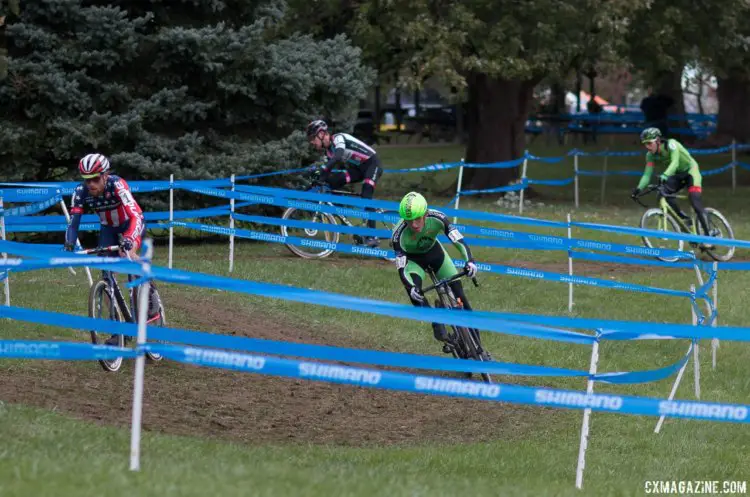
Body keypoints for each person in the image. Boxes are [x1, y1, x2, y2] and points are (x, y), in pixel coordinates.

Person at [64, 153, 160, 325]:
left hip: (130, 223)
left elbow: (136, 214)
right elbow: (73, 223)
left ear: (105, 176)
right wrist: (69, 244)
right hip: (108, 228)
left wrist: (129, 239)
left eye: (95, 179)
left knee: (128, 255)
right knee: (106, 276)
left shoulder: (117, 184)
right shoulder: (80, 192)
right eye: (87, 180)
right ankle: (116, 327)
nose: (91, 184)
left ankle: (150, 293)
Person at [391, 191, 479, 351]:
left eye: (417, 219)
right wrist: (411, 288)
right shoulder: (398, 234)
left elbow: (458, 240)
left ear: (425, 214)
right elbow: (402, 268)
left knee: (461, 297)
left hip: (435, 254)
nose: (414, 225)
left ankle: (479, 348)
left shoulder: (438, 218)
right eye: (409, 221)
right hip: (413, 262)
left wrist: (470, 261)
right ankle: (436, 322)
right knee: (416, 295)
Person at [631, 128, 718, 244]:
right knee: (662, 194)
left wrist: (665, 175)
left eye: (649, 143)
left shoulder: (671, 144)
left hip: (690, 172)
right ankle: (684, 219)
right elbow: (647, 175)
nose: (647, 146)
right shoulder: (650, 156)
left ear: (657, 140)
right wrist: (638, 189)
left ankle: (708, 237)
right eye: (645, 144)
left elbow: (675, 162)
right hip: (676, 175)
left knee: (694, 200)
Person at [306, 119, 382, 247]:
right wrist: (318, 177)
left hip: (372, 164)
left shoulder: (338, 139)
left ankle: (372, 236)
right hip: (359, 168)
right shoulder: (328, 151)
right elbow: (328, 167)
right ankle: (340, 212)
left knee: (366, 193)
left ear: (322, 133)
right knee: (335, 181)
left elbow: (337, 157)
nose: (312, 142)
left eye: (313, 138)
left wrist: (324, 171)